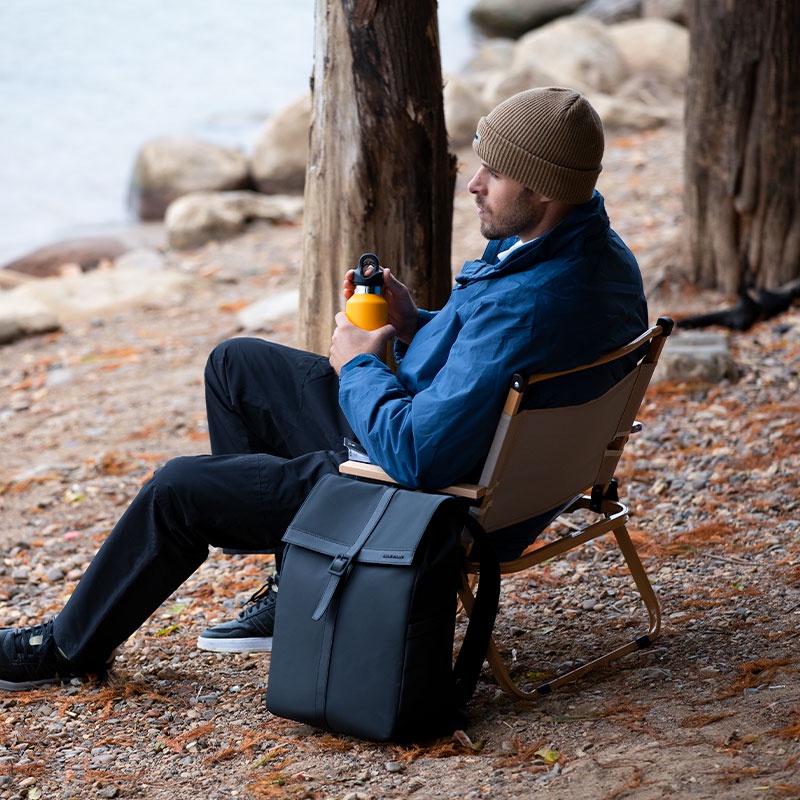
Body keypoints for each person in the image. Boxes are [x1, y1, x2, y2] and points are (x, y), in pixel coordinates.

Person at [0, 87, 648, 690]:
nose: (474, 183)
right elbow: (491, 366)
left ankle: (65, 649)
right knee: (236, 366)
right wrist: (414, 325)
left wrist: (360, 364)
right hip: (500, 470)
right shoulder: (591, 256)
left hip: (424, 502)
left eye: (495, 173)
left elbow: (418, 456)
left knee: (177, 490)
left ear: (545, 188)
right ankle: (298, 578)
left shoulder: (527, 303)